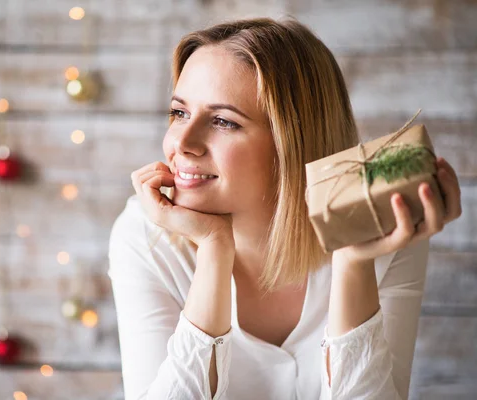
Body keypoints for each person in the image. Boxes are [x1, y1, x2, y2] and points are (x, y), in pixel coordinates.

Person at [107, 16, 462, 400]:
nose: (183, 143)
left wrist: (354, 262)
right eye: (179, 113)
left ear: (291, 143)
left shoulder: (387, 227)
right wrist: (213, 250)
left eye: (223, 121)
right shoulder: (145, 236)